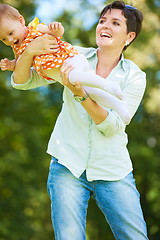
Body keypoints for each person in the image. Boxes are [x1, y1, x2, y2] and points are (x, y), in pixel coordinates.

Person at [10, 1, 149, 239]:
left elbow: (112, 126)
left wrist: (80, 94)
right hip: (67, 165)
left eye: (115, 23)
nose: (105, 26)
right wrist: (30, 51)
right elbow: (23, 82)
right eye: (103, 20)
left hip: (113, 170)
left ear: (129, 36)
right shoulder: (73, 55)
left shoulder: (135, 76)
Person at [0, 3, 130, 124]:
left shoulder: (34, 28)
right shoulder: (17, 49)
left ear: (21, 21)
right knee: (91, 92)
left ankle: (107, 85)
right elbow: (20, 64)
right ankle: (119, 105)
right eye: (3, 39)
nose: (10, 39)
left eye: (11, 33)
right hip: (66, 70)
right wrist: (10, 65)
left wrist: (57, 29)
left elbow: (56, 33)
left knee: (73, 77)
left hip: (68, 60)